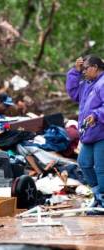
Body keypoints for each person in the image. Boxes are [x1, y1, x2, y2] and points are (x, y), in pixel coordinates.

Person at [66, 55, 104, 214]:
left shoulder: (102, 83)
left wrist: (96, 115)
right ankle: (99, 196)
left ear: (95, 67)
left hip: (101, 133)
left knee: (101, 168)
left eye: (86, 68)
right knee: (84, 163)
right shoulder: (88, 84)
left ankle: (102, 202)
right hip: (89, 133)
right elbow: (73, 92)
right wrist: (75, 72)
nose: (84, 72)